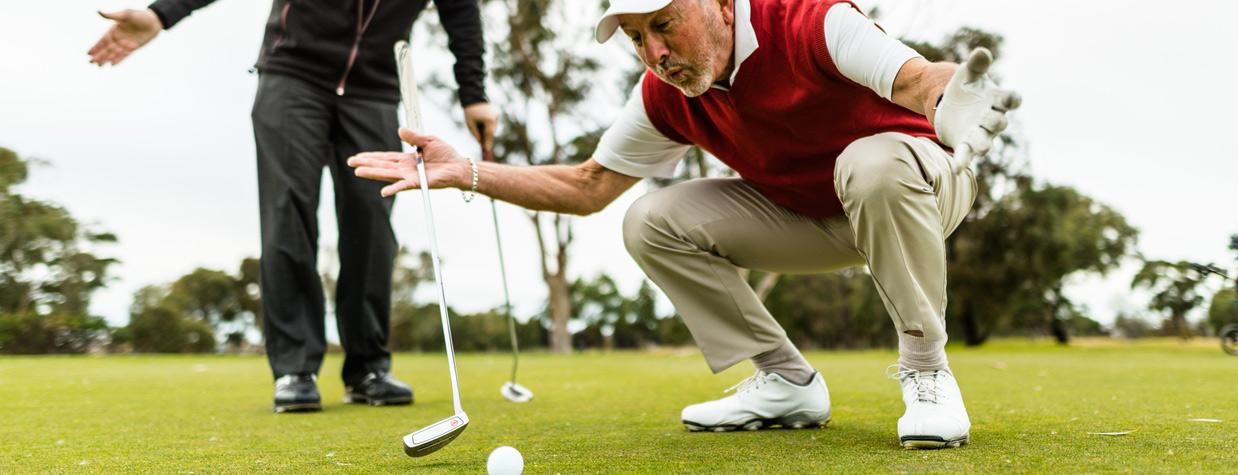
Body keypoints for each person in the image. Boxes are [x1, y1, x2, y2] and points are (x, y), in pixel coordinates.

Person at [349, 0, 1017, 448]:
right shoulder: (665, 95)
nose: (654, 51)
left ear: (722, 4)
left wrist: (946, 100)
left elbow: (917, 79)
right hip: (814, 217)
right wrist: (467, 171)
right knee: (650, 218)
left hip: (920, 187)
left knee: (869, 164)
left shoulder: (810, 21)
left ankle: (927, 371)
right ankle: (786, 382)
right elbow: (588, 188)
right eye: (638, 37)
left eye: (663, 24)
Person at [87, 0, 499, 413]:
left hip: (373, 90)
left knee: (371, 223)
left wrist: (473, 92)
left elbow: (460, 10)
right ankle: (295, 369)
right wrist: (163, 14)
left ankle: (368, 368)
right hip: (293, 76)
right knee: (288, 215)